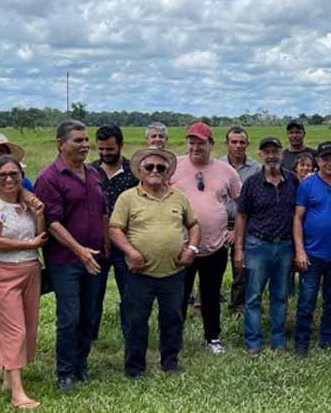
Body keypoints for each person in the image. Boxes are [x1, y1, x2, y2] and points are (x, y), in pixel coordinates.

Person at [110, 148, 200, 377]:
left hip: (173, 272)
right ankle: (134, 368)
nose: (155, 171)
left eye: (160, 167)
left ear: (168, 171)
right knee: (136, 321)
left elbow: (194, 224)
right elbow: (115, 229)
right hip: (139, 273)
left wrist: (192, 248)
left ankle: (170, 363)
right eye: (149, 167)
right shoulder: (128, 198)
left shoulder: (178, 196)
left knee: (172, 319)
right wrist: (130, 251)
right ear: (140, 171)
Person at [34, 120, 108, 393]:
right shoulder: (49, 178)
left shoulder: (93, 173)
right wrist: (80, 251)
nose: (85, 145)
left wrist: (104, 247)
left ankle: (81, 365)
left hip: (96, 256)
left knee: (90, 314)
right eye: (78, 140)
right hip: (66, 260)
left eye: (86, 140)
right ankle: (64, 372)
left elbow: (102, 213)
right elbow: (52, 222)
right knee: (70, 317)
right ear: (60, 143)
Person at [0, 157, 47, 409]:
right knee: (14, 329)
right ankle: (17, 393)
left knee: (28, 324)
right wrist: (30, 245)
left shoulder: (26, 203)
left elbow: (40, 235)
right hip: (3, 271)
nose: (9, 179)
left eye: (14, 174)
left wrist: (38, 215)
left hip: (31, 268)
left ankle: (9, 376)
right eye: (2, 175)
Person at [171, 121, 242, 354]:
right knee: (179, 294)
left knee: (211, 294)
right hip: (181, 246)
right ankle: (174, 336)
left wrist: (235, 232)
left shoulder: (226, 171)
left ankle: (213, 337)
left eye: (200, 143)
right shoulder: (174, 167)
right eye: (191, 142)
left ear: (211, 144)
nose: (195, 147)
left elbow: (242, 205)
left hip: (216, 245)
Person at [234, 137, 299, 353]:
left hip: (284, 246)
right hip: (258, 244)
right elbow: (241, 216)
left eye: (275, 151)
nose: (271, 155)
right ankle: (253, 343)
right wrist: (239, 249)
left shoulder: (292, 180)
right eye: (267, 152)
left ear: (281, 153)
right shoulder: (252, 183)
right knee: (253, 297)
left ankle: (278, 341)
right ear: (261, 155)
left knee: (279, 296)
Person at [293, 141, 331, 355]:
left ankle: (327, 340)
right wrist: (300, 250)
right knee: (307, 300)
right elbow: (298, 218)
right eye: (325, 158)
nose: (329, 162)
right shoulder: (307, 185)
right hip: (312, 254)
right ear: (317, 161)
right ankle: (301, 343)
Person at [90, 124, 139, 342]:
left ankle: (131, 334)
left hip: (126, 242)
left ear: (120, 145)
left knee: (130, 294)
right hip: (96, 243)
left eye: (110, 149)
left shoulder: (134, 172)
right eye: (101, 149)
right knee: (93, 293)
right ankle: (90, 337)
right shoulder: (90, 171)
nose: (105, 154)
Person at [219, 126, 261, 314]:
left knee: (240, 266)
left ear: (247, 144)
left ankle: (237, 307)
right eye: (234, 142)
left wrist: (236, 230)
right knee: (211, 266)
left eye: (242, 142)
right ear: (226, 144)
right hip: (217, 224)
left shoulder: (256, 169)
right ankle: (202, 304)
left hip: (244, 223)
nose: (238, 146)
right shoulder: (216, 166)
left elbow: (257, 202)